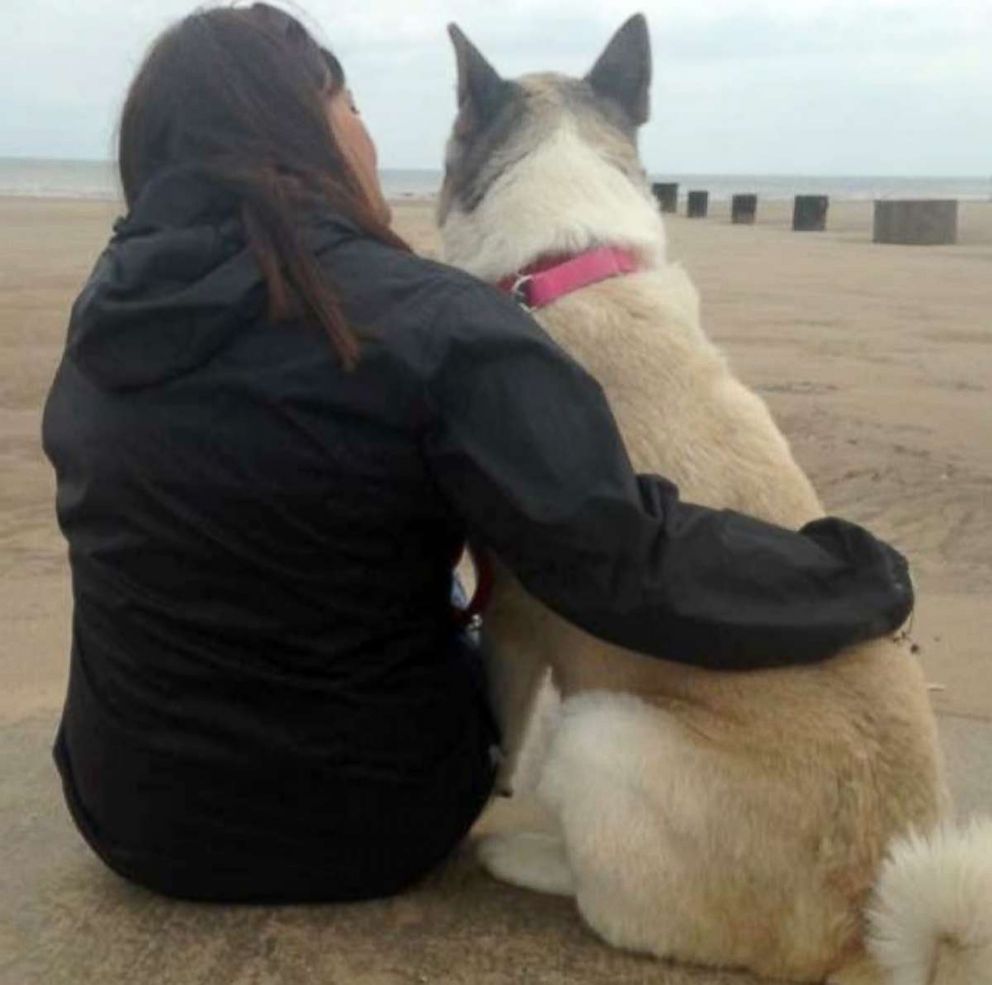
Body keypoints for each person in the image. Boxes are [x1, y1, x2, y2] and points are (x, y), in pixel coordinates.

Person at [42, 3, 913, 904]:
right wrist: (850, 575)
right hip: (366, 828)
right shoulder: (438, 323)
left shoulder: (101, 320)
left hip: (126, 816)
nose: (372, 137)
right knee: (467, 586)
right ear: (307, 124)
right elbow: (617, 557)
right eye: (351, 105)